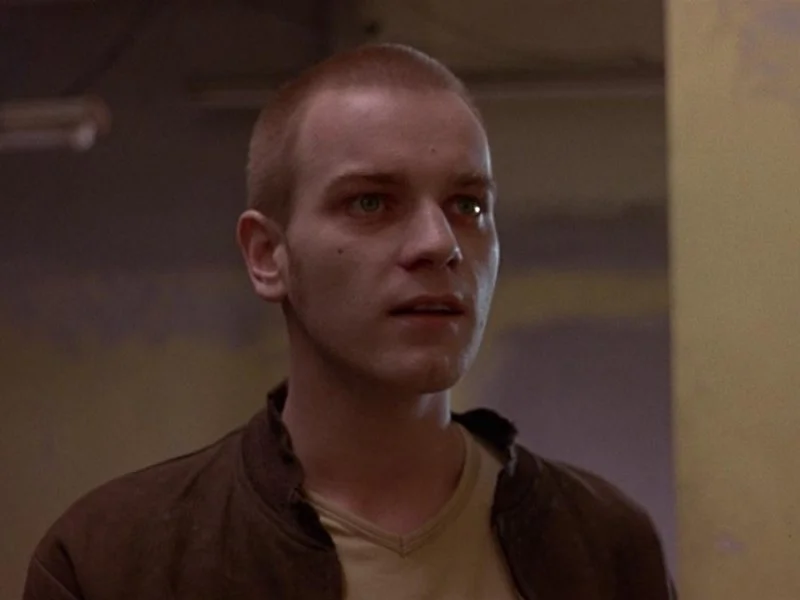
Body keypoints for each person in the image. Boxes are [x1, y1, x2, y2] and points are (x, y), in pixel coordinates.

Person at [23, 43, 674, 600]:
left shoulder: (602, 547)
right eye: (371, 203)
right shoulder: (115, 562)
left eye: (468, 206)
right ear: (268, 255)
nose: (439, 243)